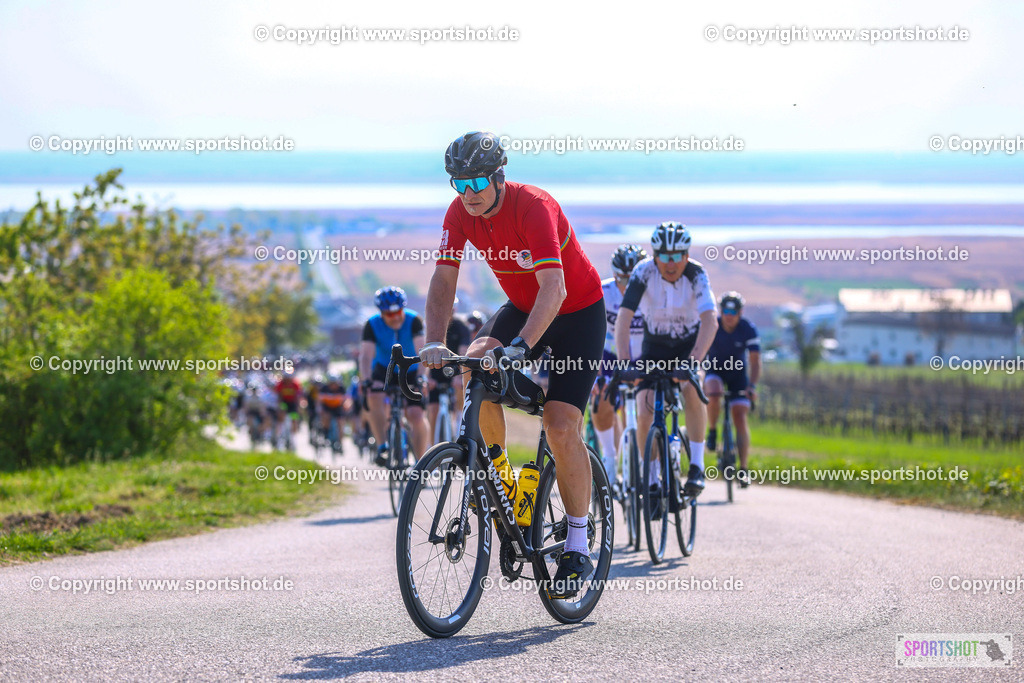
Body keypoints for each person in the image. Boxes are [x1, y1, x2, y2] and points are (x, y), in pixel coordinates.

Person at [419, 131, 605, 599]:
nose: (469, 193)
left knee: (560, 425)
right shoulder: (460, 212)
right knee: (474, 359)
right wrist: (434, 342)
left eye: (478, 181)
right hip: (523, 305)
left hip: (575, 312)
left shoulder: (534, 206)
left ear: (499, 175)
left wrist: (522, 346)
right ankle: (500, 475)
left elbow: (555, 290)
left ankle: (578, 544)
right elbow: (444, 280)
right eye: (458, 184)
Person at [613, 222, 718, 500]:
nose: (670, 264)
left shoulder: (697, 274)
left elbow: (710, 322)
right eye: (664, 256)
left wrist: (694, 363)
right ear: (655, 256)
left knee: (692, 389)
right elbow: (623, 320)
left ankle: (696, 465)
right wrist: (625, 362)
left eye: (676, 257)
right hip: (655, 346)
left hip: (687, 345)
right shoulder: (643, 272)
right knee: (644, 407)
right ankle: (651, 479)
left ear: (686, 255)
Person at [593, 245, 647, 489]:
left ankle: (646, 464)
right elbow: (588, 334)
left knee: (646, 406)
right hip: (609, 355)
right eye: (621, 278)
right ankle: (610, 460)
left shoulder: (653, 295)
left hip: (642, 356)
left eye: (633, 278)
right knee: (601, 400)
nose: (627, 284)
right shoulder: (603, 292)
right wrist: (592, 375)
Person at [360, 286, 429, 466]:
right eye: (389, 315)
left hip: (412, 369)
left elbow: (422, 353)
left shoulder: (414, 320)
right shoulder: (372, 324)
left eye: (398, 312)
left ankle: (421, 462)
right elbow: (366, 356)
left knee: (415, 414)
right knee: (373, 396)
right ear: (381, 313)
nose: (395, 317)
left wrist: (422, 378)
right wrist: (366, 380)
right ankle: (382, 445)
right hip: (385, 368)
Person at [704, 291, 761, 486]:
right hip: (715, 372)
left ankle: (743, 469)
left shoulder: (747, 329)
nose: (729, 314)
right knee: (714, 391)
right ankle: (712, 431)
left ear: (740, 312)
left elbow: (755, 361)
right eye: (725, 310)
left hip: (738, 375)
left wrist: (752, 386)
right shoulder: (713, 326)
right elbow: (701, 351)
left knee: (740, 415)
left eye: (733, 311)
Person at [426, 298, 471, 440]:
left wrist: (459, 377)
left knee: (460, 389)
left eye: (450, 311)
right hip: (435, 370)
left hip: (454, 369)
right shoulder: (431, 326)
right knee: (433, 411)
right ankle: (431, 444)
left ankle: (458, 424)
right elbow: (423, 352)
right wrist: (427, 378)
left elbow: (463, 352)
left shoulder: (461, 327)